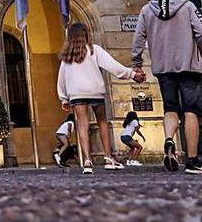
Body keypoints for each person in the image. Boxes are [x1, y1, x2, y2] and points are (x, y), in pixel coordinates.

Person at [131, 0, 202, 175]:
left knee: (170, 108)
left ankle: (169, 141)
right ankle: (192, 160)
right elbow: (201, 33)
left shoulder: (146, 10)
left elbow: (138, 38)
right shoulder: (187, 6)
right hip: (188, 65)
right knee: (190, 110)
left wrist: (137, 63)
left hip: (163, 67)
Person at [57, 21, 142, 174]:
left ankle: (88, 161)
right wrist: (132, 75)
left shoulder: (67, 57)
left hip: (76, 94)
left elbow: (61, 79)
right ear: (86, 35)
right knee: (102, 122)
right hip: (95, 91)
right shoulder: (94, 50)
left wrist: (63, 98)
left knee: (83, 125)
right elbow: (114, 66)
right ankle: (108, 157)